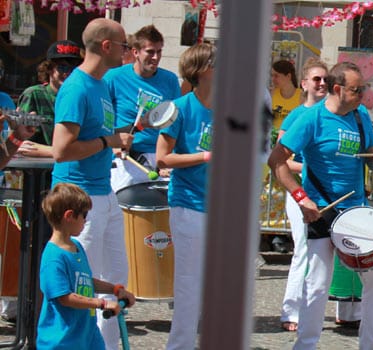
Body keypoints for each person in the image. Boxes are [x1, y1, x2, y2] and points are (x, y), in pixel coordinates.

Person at [267, 62, 373, 349]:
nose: (363, 94)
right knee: (318, 283)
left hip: (355, 212)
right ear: (338, 89)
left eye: (363, 89)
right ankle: (306, 344)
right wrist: (301, 198)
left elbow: (370, 157)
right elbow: (277, 160)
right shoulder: (311, 119)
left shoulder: (360, 117)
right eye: (356, 89)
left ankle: (372, 344)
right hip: (322, 210)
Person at [51, 18, 134, 349]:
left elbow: (98, 136)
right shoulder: (77, 87)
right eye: (124, 45)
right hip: (79, 196)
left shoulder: (101, 85)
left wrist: (115, 138)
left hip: (103, 192)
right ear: (106, 46)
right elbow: (61, 150)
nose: (127, 52)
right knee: (82, 287)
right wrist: (107, 141)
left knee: (115, 283)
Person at [154, 42, 214, 350]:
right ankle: (180, 346)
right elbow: (162, 158)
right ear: (203, 70)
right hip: (188, 204)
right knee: (189, 284)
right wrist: (205, 157)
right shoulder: (179, 108)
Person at [36, 183, 136, 350]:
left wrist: (115, 289)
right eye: (84, 215)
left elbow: (86, 281)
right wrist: (101, 303)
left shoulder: (76, 246)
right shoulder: (53, 258)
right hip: (62, 341)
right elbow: (65, 297)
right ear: (69, 216)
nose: (86, 220)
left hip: (87, 335)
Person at [277, 57, 329, 332]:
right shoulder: (296, 115)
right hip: (299, 191)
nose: (322, 84)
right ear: (305, 83)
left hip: (324, 194)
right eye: (316, 79)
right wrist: (310, 166)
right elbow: (281, 158)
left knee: (320, 255)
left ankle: (314, 309)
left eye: (325, 79)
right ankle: (291, 310)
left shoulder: (332, 113)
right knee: (303, 249)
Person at [106, 25, 181, 192]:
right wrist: (112, 144)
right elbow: (102, 118)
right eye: (150, 52)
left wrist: (170, 157)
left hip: (159, 158)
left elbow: (176, 122)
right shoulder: (114, 78)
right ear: (135, 52)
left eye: (159, 51)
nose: (156, 57)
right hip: (127, 158)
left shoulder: (169, 80)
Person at [16, 40, 84, 158]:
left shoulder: (82, 96)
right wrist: (63, 151)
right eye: (63, 68)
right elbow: (23, 144)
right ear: (49, 68)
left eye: (74, 69)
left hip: (73, 166)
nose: (68, 73)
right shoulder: (34, 95)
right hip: (38, 169)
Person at [270, 60, 302, 133]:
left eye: (276, 76)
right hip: (273, 139)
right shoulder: (272, 94)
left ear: (288, 76)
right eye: (272, 75)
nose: (273, 79)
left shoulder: (302, 97)